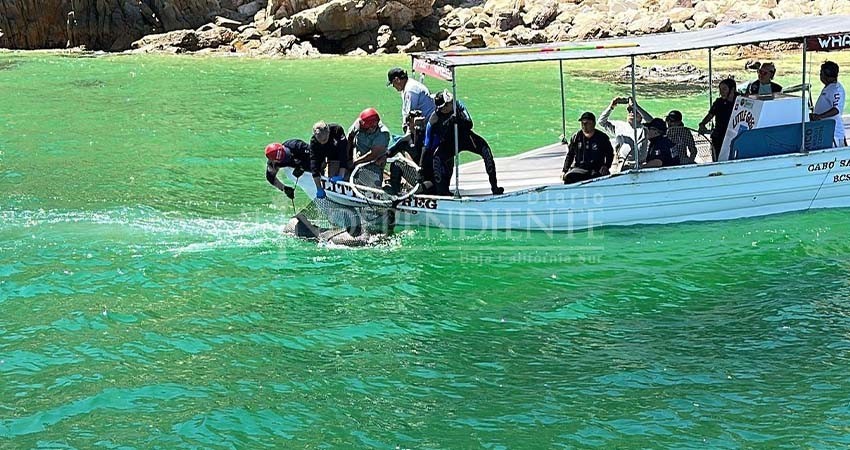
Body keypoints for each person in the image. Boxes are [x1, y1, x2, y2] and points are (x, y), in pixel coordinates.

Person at [425, 90, 504, 196]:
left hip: (466, 137)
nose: (452, 104)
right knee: (437, 158)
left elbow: (469, 124)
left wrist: (458, 120)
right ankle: (442, 192)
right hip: (450, 143)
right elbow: (427, 144)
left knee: (486, 151)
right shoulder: (434, 119)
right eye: (449, 103)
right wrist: (422, 166)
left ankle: (494, 187)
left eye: (452, 101)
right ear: (442, 107)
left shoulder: (458, 105)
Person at [630, 101, 697, 164]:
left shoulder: (685, 132)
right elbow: (650, 121)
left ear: (679, 122)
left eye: (672, 121)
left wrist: (690, 161)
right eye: (667, 120)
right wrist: (636, 107)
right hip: (664, 159)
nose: (669, 122)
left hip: (681, 160)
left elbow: (692, 149)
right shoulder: (664, 129)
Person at [561, 112, 614, 184]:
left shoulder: (602, 138)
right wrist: (565, 170)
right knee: (568, 178)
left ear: (593, 124)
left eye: (587, 123)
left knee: (603, 179)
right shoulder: (576, 137)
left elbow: (610, 154)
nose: (584, 126)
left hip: (596, 168)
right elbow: (570, 155)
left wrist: (606, 166)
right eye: (582, 123)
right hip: (580, 168)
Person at [348, 107, 392, 188]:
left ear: (372, 127)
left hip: (372, 163)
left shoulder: (382, 134)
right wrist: (347, 157)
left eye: (364, 129)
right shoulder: (360, 123)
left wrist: (356, 162)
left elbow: (373, 154)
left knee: (372, 185)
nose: (361, 129)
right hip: (355, 156)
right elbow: (350, 138)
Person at [598, 96, 646, 168]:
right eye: (630, 110)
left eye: (635, 111)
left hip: (640, 164)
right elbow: (601, 122)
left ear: (641, 116)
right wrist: (611, 106)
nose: (632, 112)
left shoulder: (644, 128)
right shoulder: (618, 125)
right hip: (622, 163)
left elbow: (652, 121)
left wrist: (636, 106)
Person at [699, 78, 738, 161]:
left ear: (732, 89)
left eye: (724, 89)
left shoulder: (740, 101)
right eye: (720, 89)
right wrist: (702, 124)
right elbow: (710, 115)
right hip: (719, 135)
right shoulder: (718, 102)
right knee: (717, 158)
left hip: (733, 135)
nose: (721, 92)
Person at [387, 67, 436, 133]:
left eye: (393, 83)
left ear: (397, 80)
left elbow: (410, 113)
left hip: (426, 124)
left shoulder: (410, 90)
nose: (393, 86)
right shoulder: (408, 85)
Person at [811, 61, 846, 147]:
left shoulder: (836, 89)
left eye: (821, 73)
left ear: (825, 74)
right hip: (825, 130)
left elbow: (836, 110)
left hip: (834, 133)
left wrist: (819, 116)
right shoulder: (829, 87)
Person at [309, 120, 349, 186]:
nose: (322, 142)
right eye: (319, 141)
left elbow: (343, 152)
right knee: (328, 175)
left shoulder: (337, 130)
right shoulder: (314, 142)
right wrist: (318, 187)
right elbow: (314, 162)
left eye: (324, 140)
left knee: (344, 173)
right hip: (326, 154)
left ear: (328, 132)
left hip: (338, 151)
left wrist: (341, 174)